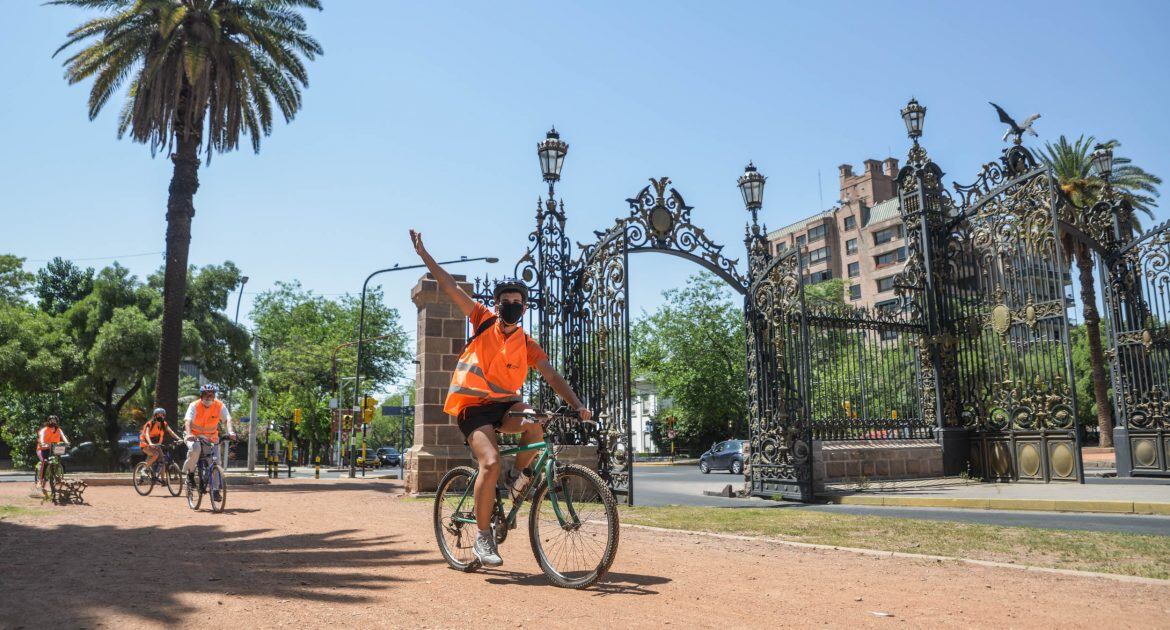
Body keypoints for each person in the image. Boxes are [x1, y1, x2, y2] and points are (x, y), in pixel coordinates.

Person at [409, 229, 592, 567]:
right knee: (490, 462)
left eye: (517, 303)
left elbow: (551, 376)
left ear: (524, 308)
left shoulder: (527, 343)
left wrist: (578, 405)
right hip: (472, 407)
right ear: (497, 305)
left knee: (536, 424)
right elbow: (450, 287)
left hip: (506, 405)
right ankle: (482, 537)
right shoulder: (483, 320)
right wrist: (425, 255)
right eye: (506, 302)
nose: (511, 307)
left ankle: (517, 482)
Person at [182, 384, 236, 490]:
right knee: (195, 449)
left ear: (214, 396)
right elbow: (187, 421)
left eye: (211, 395)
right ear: (201, 395)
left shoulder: (219, 405)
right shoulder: (194, 405)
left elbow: (227, 419)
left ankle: (216, 490)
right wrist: (189, 434)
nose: (208, 397)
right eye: (206, 394)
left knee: (216, 462)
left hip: (211, 438)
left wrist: (230, 432)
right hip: (193, 435)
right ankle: (190, 474)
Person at [35, 416, 70, 491]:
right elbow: (41, 437)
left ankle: (58, 476)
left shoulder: (58, 430)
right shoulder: (44, 430)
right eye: (51, 420)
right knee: (45, 461)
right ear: (48, 421)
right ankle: (40, 480)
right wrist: (42, 442)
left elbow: (63, 437)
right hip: (43, 449)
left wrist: (66, 442)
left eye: (55, 420)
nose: (53, 422)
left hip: (54, 448)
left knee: (58, 460)